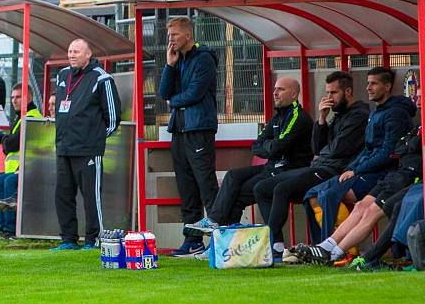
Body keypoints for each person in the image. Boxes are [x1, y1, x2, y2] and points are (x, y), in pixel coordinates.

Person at [184, 78, 313, 252]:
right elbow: (256, 145)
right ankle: (220, 237)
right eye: (274, 89)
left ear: (294, 94)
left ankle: (267, 243)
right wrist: (270, 146)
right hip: (272, 167)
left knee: (243, 194)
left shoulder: (298, 117)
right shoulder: (277, 117)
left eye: (280, 89)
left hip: (288, 170)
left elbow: (278, 147)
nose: (275, 93)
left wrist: (270, 146)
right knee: (232, 176)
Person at [253, 71, 369, 258]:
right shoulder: (337, 115)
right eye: (327, 93)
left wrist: (322, 153)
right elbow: (317, 147)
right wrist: (322, 120)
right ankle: (276, 244)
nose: (329, 98)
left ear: (348, 92)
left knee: (282, 189)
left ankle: (268, 245)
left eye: (333, 93)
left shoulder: (359, 115)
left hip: (333, 171)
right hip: (318, 167)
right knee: (262, 188)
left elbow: (338, 149)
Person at [303, 67, 416, 241]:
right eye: (368, 83)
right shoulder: (375, 112)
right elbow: (366, 148)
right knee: (311, 194)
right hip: (361, 169)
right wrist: (352, 167)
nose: (368, 87)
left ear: (387, 87)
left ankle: (334, 248)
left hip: (383, 173)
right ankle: (319, 245)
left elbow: (387, 153)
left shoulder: (395, 113)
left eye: (374, 83)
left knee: (328, 195)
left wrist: (356, 170)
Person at [295, 121, 421, 265]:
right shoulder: (417, 127)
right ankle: (326, 246)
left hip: (409, 177)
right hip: (396, 174)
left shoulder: (397, 113)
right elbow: (397, 148)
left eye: (419, 97)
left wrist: (408, 145)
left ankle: (334, 254)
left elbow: (392, 151)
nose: (417, 99)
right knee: (360, 206)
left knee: (371, 212)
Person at [158, 16, 220, 256]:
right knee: (186, 188)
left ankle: (217, 238)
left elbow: (194, 93)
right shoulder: (178, 59)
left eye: (174, 35)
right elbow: (164, 91)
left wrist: (174, 102)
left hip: (198, 130)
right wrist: (169, 66)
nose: (170, 39)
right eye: (169, 35)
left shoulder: (204, 58)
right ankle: (193, 240)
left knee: (206, 185)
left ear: (187, 35)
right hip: (180, 130)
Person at [52, 38, 122, 251]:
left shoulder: (102, 79)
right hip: (64, 148)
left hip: (88, 150)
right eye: (70, 51)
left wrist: (96, 138)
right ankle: (68, 239)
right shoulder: (63, 75)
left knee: (91, 197)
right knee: (62, 195)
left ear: (88, 54)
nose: (72, 55)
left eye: (77, 51)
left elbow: (113, 117)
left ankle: (93, 239)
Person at [0, 84, 42, 241]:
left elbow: (12, 144)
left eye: (18, 97)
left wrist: (4, 139)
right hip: (13, 170)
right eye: (12, 97)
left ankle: (7, 230)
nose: (14, 100)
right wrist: (7, 140)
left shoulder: (31, 116)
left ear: (28, 97)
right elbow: (11, 143)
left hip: (26, 171)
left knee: (1, 182)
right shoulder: (20, 117)